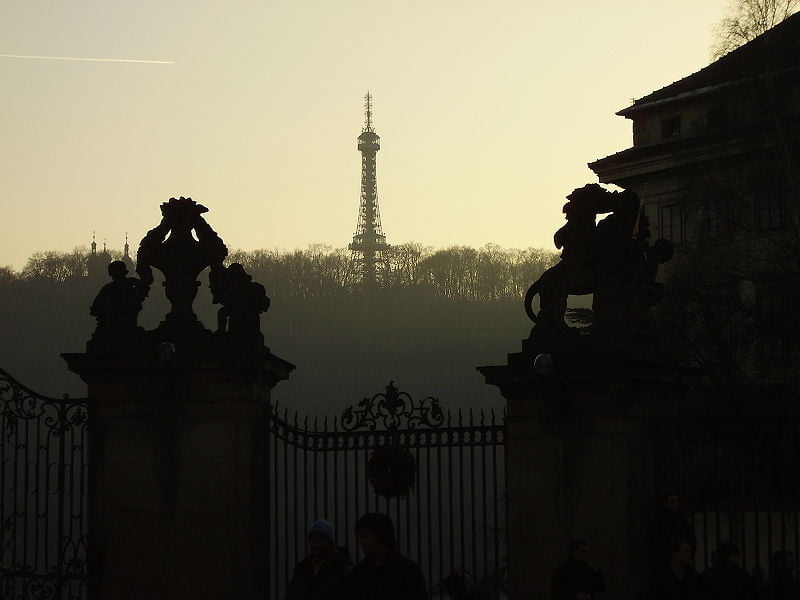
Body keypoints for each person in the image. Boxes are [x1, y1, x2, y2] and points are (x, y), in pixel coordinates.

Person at [347, 513, 428, 600]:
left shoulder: (407, 571)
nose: (361, 542)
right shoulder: (359, 573)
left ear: (382, 537)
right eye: (360, 537)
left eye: (367, 536)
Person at [285, 519, 351, 600]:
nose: (316, 544)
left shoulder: (342, 571)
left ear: (330, 543)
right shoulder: (302, 568)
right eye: (313, 540)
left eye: (320, 540)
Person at [650, 492, 696, 565]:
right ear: (665, 503)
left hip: (680, 553)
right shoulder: (660, 519)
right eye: (672, 501)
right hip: (665, 554)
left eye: (676, 501)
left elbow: (689, 534)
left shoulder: (681, 518)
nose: (674, 504)